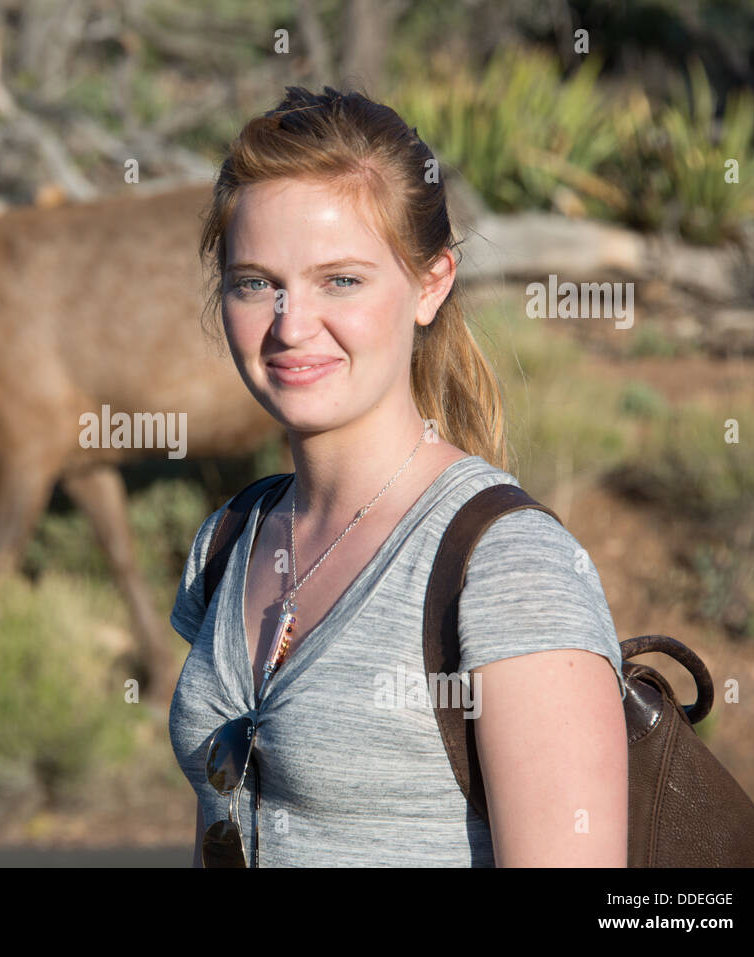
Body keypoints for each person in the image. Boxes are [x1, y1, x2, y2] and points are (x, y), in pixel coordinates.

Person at [168, 85, 628, 867]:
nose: (290, 323)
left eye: (339, 280)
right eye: (255, 281)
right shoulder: (229, 541)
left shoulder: (507, 568)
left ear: (431, 283)